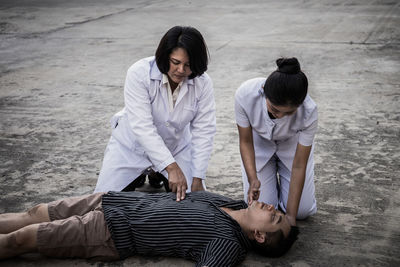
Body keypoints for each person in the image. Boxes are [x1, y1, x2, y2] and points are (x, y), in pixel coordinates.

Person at [0, 191, 298, 266]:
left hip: (110, 231)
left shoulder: (228, 244)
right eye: (277, 211)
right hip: (114, 199)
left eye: (274, 219)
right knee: (35, 212)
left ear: (259, 236)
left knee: (22, 239)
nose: (272, 208)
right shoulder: (229, 201)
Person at [94, 26, 216, 201]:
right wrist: (171, 167)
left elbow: (204, 131)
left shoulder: (203, 83)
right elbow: (143, 127)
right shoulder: (139, 72)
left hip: (176, 148)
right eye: (175, 62)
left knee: (195, 203)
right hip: (131, 148)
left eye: (188, 65)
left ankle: (157, 174)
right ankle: (149, 173)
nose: (181, 70)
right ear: (164, 56)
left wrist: (198, 177)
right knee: (101, 203)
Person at [235, 57, 317, 226]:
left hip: (292, 147)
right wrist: (253, 179)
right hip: (258, 144)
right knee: (261, 206)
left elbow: (299, 165)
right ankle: (269, 183)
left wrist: (291, 218)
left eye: (288, 113)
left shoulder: (309, 111)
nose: (280, 116)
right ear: (264, 90)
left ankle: (288, 199)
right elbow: (245, 142)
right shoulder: (245, 94)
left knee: (302, 211)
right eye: (274, 110)